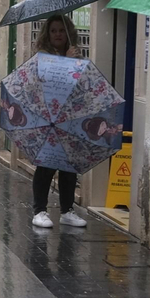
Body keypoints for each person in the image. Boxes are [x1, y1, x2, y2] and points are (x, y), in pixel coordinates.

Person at [31, 15, 87, 229]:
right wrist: (66, 60)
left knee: (68, 164)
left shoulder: (74, 54)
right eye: (53, 31)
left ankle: (67, 210)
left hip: (69, 116)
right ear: (47, 33)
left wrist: (74, 61)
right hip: (48, 116)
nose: (57, 34)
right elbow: (50, 79)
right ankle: (39, 210)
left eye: (61, 31)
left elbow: (81, 83)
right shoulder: (43, 55)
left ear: (68, 33)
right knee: (46, 164)